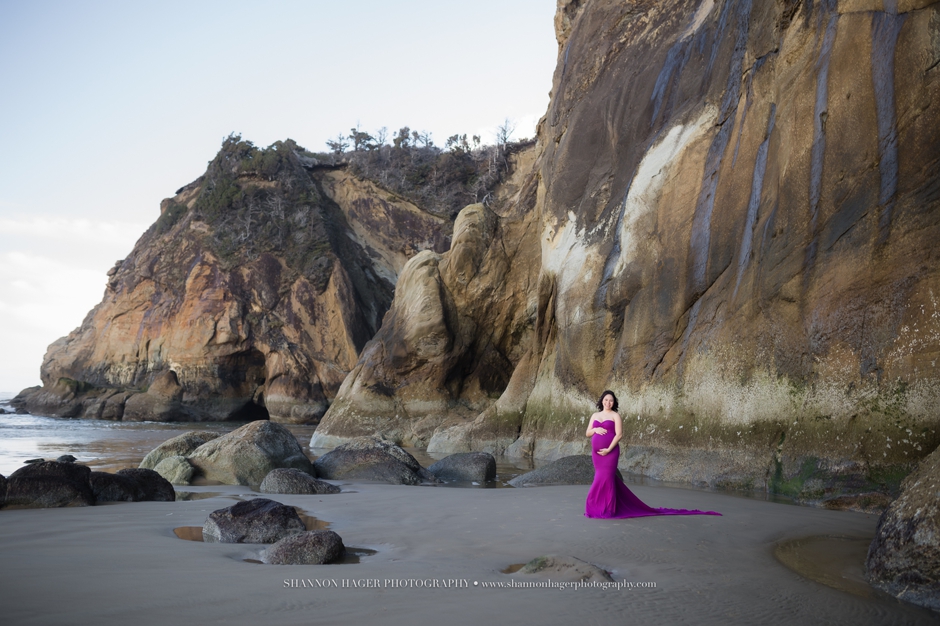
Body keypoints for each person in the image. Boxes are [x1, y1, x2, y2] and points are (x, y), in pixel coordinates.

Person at [584, 390, 721, 519]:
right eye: (606, 400)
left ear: (614, 403)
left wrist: (608, 449)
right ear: (602, 401)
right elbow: (587, 433)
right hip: (596, 454)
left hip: (610, 452)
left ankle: (606, 509)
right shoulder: (595, 416)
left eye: (611, 401)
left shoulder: (615, 416)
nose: (608, 403)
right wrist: (596, 428)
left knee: (605, 478)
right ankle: (601, 507)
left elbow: (619, 434)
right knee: (601, 477)